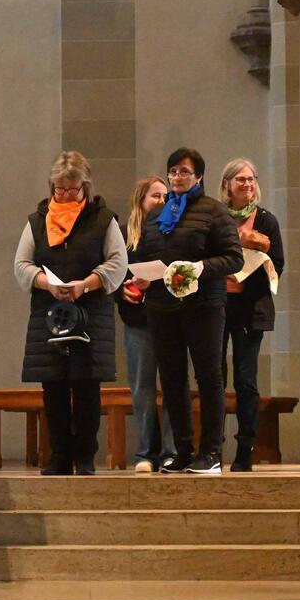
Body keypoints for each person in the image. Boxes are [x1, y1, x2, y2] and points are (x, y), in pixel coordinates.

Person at [14, 151, 126, 476]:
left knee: (87, 386)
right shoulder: (37, 221)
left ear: (85, 187)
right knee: (54, 387)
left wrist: (87, 284)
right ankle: (59, 456)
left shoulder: (103, 219)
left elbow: (118, 262)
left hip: (90, 314)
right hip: (50, 315)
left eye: (72, 189)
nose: (64, 195)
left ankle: (85, 457)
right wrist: (46, 283)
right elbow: (22, 264)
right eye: (59, 189)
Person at [137, 148, 242, 474]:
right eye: (173, 171)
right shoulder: (157, 214)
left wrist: (199, 267)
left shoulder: (213, 211)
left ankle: (211, 452)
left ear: (198, 176)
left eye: (184, 171)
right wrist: (142, 275)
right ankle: (182, 450)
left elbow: (234, 258)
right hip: (162, 306)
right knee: (171, 377)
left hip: (204, 306)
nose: (177, 177)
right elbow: (146, 253)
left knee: (209, 376)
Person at [218, 158, 284, 472]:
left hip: (250, 308)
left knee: (245, 379)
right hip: (217, 306)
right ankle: (213, 447)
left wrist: (246, 277)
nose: (247, 184)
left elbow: (277, 264)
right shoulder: (217, 218)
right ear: (227, 185)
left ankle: (245, 449)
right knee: (214, 378)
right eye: (240, 179)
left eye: (251, 179)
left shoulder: (266, 221)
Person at [116, 176, 180, 473]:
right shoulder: (124, 234)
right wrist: (122, 292)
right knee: (142, 387)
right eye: (156, 196)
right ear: (140, 200)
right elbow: (112, 272)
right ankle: (146, 452)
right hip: (138, 320)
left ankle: (171, 451)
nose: (162, 201)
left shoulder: (174, 230)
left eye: (166, 196)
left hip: (169, 317)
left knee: (173, 385)